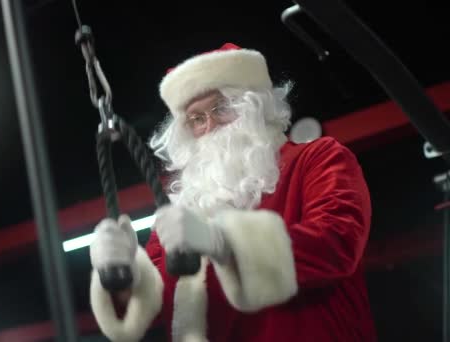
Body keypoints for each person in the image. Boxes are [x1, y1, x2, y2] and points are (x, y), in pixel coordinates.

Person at [88, 42, 377, 341]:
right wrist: (120, 274)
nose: (210, 124)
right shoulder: (184, 208)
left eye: (221, 107)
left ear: (254, 106)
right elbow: (155, 300)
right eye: (196, 119)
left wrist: (224, 243)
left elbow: (337, 242)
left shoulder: (318, 158)